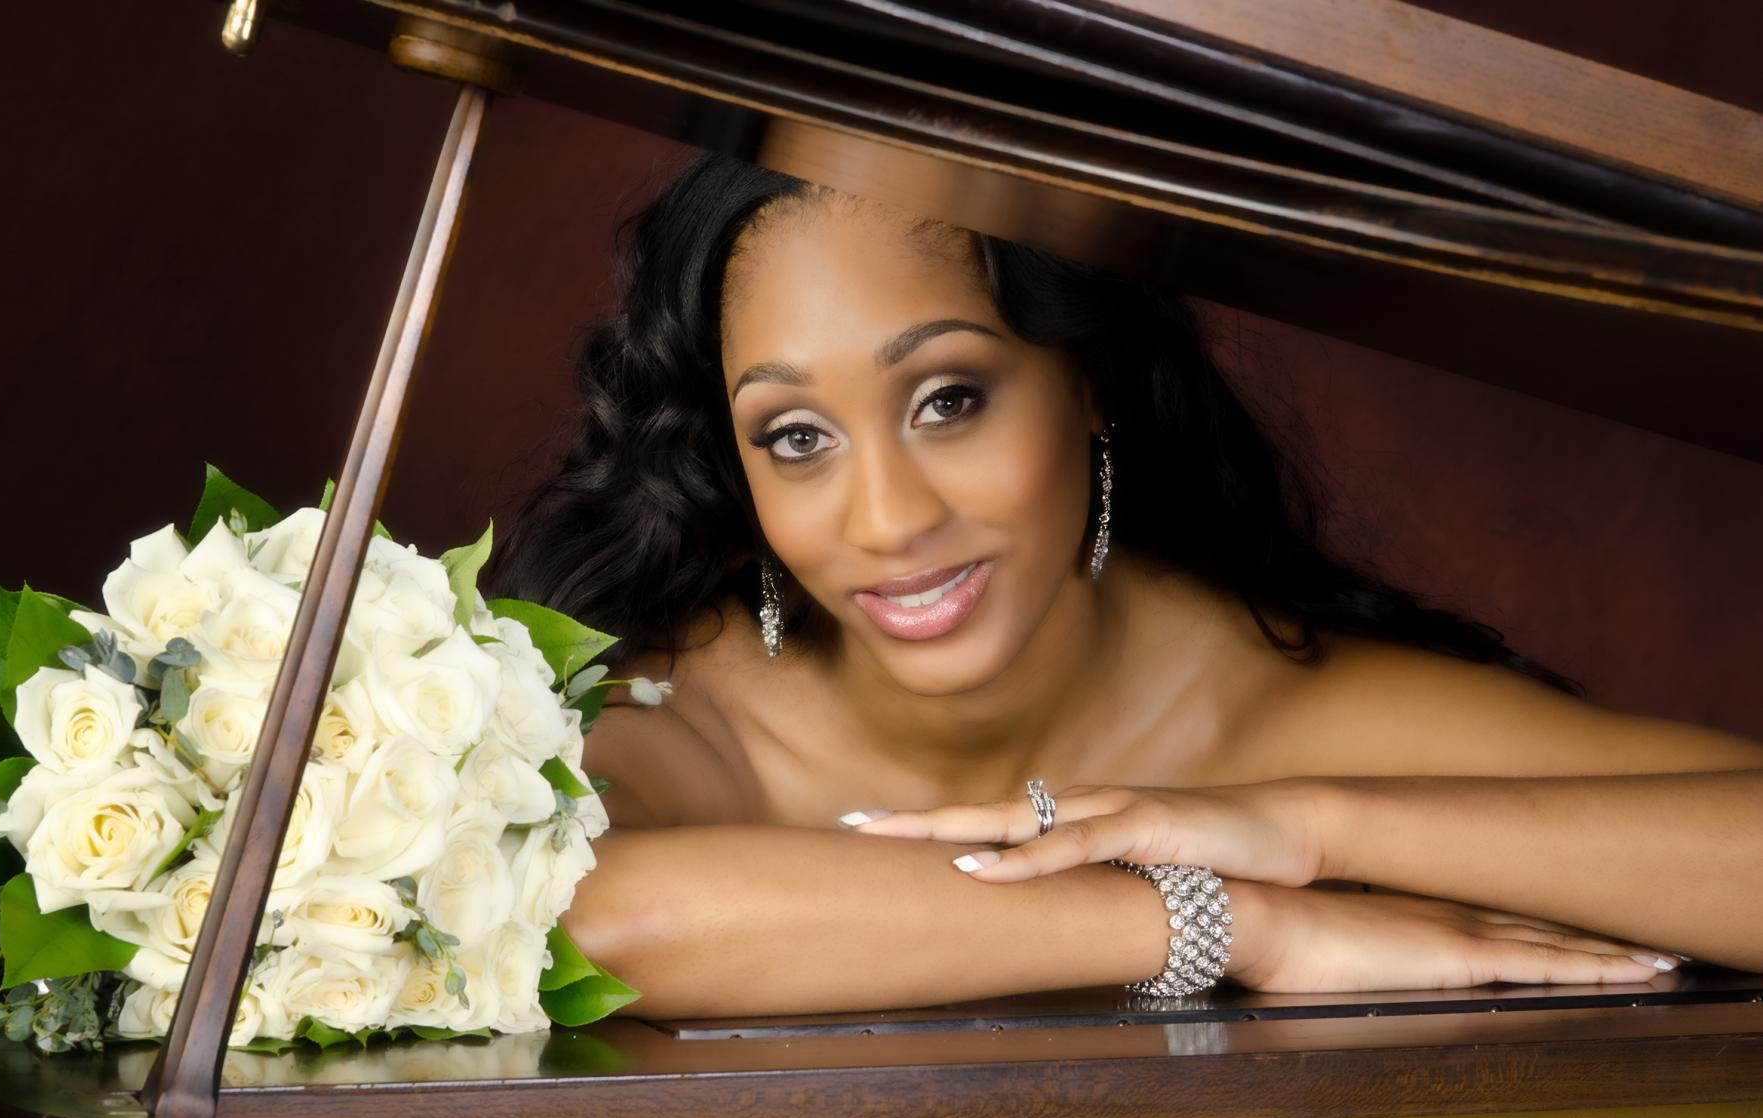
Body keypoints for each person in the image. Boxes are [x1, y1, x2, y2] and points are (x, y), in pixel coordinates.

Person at [483, 151, 1763, 1019]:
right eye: (796, 436)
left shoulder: (1256, 698)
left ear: (1086, 379)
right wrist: (1234, 924)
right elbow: (567, 914)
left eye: (948, 400)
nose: (887, 520)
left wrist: (1308, 828)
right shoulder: (682, 707)